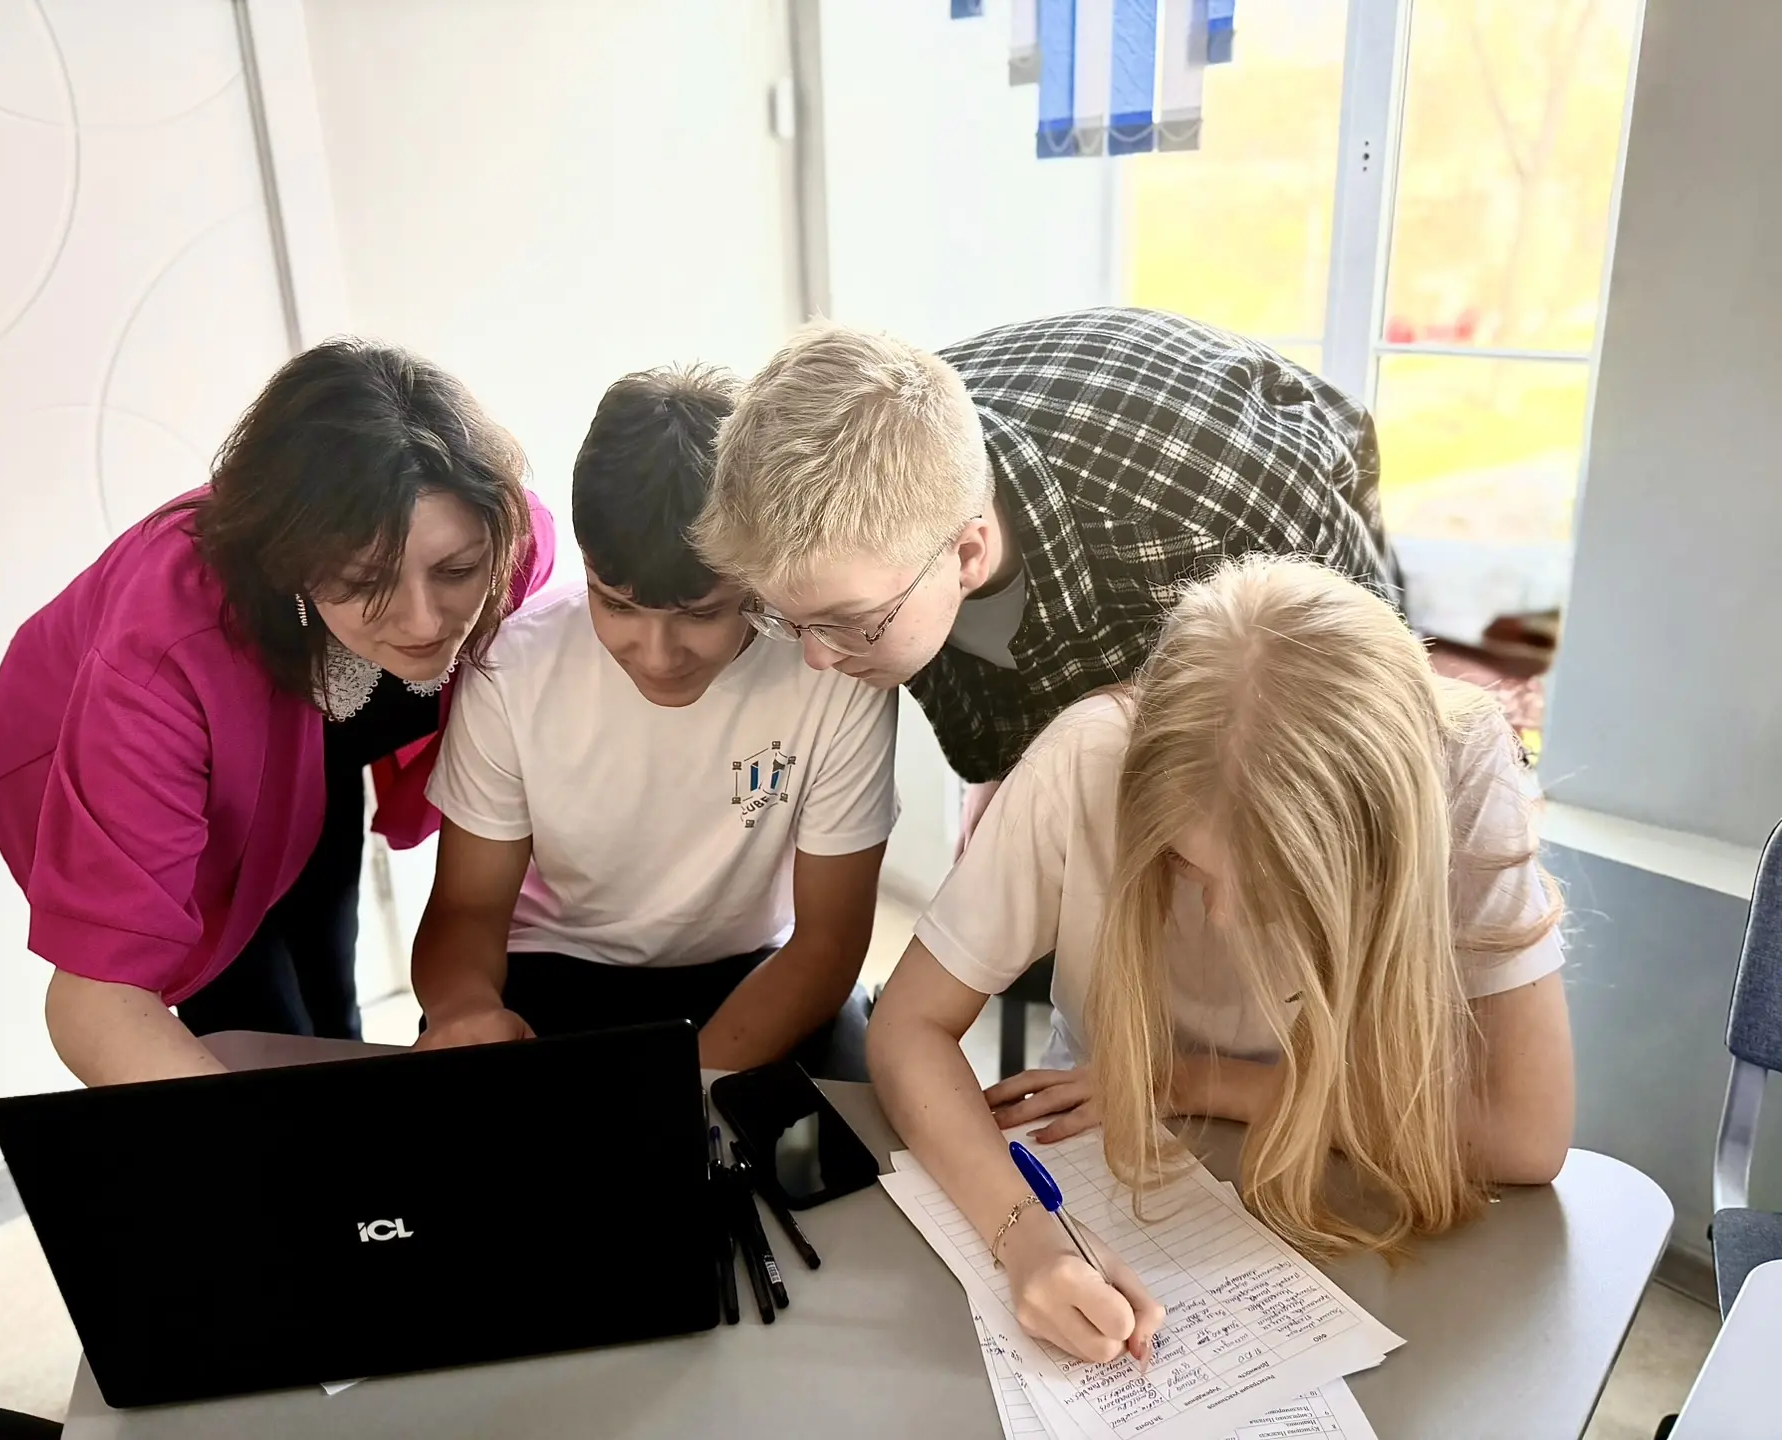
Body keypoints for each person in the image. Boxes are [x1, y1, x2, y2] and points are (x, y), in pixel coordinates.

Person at [865, 557, 1574, 1366]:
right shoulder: (1089, 755)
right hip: (1109, 1149)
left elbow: (1524, 1136)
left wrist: (1191, 1079)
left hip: (1352, 1187)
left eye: (1278, 888)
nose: (1226, 917)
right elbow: (908, 1027)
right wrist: (1025, 1236)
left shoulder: (1464, 768)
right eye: (1185, 864)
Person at [0, 340, 555, 1086]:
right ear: (293, 565)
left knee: (328, 972)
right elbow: (96, 997)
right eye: (362, 580)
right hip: (150, 750)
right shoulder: (165, 654)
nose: (424, 622)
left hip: (317, 723)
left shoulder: (510, 539)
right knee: (255, 1014)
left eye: (456, 571)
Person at [693, 308, 1401, 835]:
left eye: (847, 623)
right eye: (788, 620)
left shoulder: (1214, 518)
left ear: (967, 554)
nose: (816, 658)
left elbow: (1372, 696)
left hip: (1263, 509)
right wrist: (1008, 777)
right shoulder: (884, 468)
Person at [410, 365, 897, 1078]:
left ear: (759, 573)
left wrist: (675, 1089)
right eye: (616, 604)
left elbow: (829, 942)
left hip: (759, 973)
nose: (658, 654)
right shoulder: (513, 665)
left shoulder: (833, 670)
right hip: (555, 963)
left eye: (701, 613)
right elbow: (466, 907)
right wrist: (464, 1010)